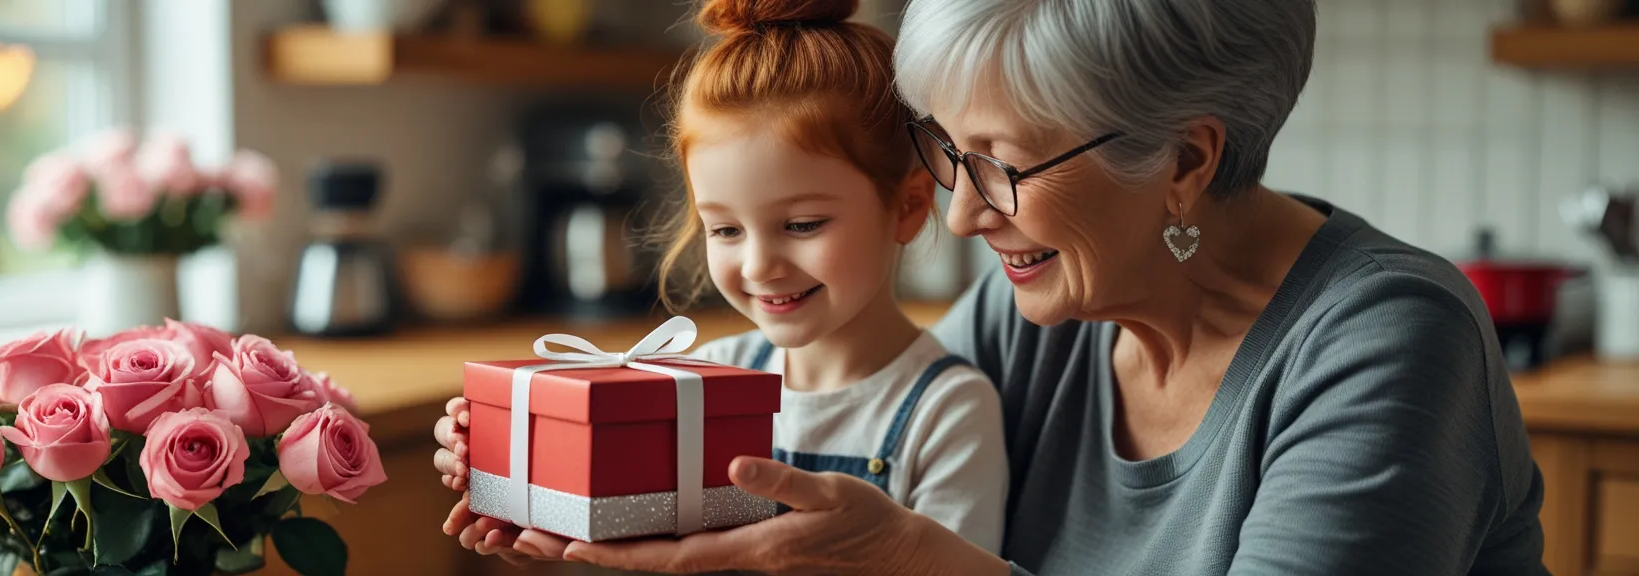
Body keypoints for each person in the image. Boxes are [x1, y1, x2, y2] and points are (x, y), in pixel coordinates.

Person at [435, 0, 1551, 573]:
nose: (962, 213)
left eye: (1005, 166)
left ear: (1185, 161)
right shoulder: (1046, 318)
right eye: (946, 153)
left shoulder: (1389, 346)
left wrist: (923, 565)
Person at [431, 0, 1010, 564]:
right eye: (726, 229)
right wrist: (519, 488)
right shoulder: (700, 380)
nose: (759, 265)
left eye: (802, 224)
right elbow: (634, 534)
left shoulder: (948, 412)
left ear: (908, 205)